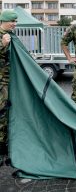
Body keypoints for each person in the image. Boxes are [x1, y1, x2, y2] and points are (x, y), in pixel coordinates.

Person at [0, 10, 18, 166]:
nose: (14, 23)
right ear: (3, 21)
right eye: (12, 21)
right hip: (0, 84)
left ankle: (5, 149)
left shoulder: (12, 35)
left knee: (6, 116)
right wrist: (2, 44)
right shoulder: (3, 37)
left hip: (8, 82)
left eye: (16, 21)